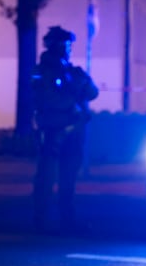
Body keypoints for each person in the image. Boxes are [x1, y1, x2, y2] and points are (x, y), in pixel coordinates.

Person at [30, 26, 99, 233]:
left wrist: (80, 83)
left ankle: (67, 220)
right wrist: (73, 103)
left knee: (68, 179)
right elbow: (47, 99)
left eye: (69, 45)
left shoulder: (72, 71)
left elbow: (92, 92)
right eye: (66, 45)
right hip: (52, 132)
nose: (69, 49)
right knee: (46, 179)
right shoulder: (41, 72)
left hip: (73, 132)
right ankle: (40, 222)